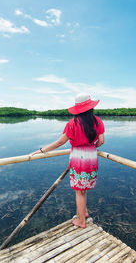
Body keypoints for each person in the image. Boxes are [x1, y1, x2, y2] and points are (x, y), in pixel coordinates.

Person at [30, 93, 105, 228]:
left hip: (78, 158)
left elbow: (60, 142)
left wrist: (41, 150)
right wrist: (91, 147)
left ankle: (81, 221)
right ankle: (84, 212)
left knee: (78, 190)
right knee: (84, 188)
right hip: (91, 157)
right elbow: (101, 141)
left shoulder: (72, 123)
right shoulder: (97, 121)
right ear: (90, 107)